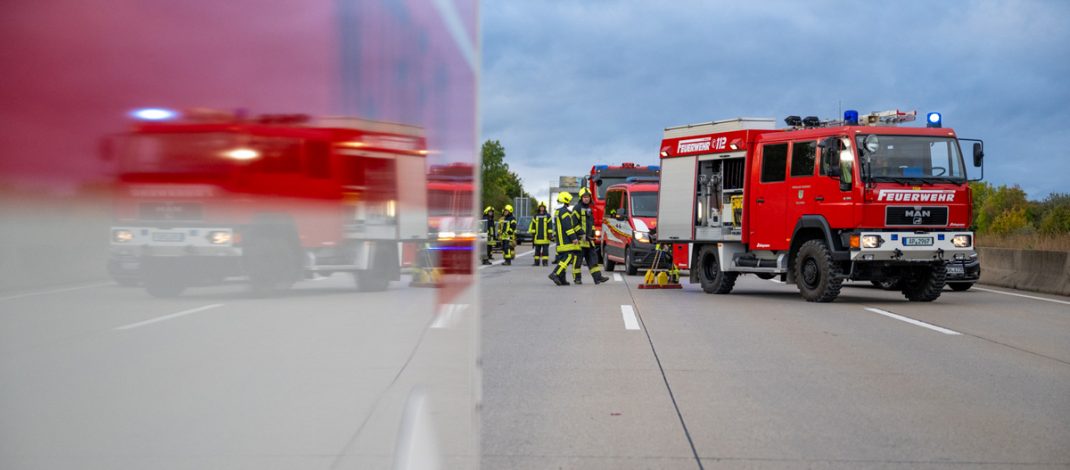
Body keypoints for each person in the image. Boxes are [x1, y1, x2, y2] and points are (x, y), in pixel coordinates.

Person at [572, 187, 609, 284]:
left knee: (593, 259)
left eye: (588, 197)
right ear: (581, 198)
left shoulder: (589, 208)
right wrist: (582, 234)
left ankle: (598, 278)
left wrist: (592, 233)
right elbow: (574, 224)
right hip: (580, 240)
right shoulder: (577, 208)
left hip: (589, 240)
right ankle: (577, 278)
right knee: (578, 261)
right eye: (584, 197)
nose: (586, 199)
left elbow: (591, 223)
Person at [548, 192, 579, 286]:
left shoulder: (558, 211)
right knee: (568, 257)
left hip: (560, 240)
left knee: (562, 259)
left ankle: (562, 279)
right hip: (565, 240)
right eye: (569, 200)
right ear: (566, 200)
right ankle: (555, 274)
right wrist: (574, 238)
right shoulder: (564, 212)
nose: (570, 202)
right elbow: (567, 226)